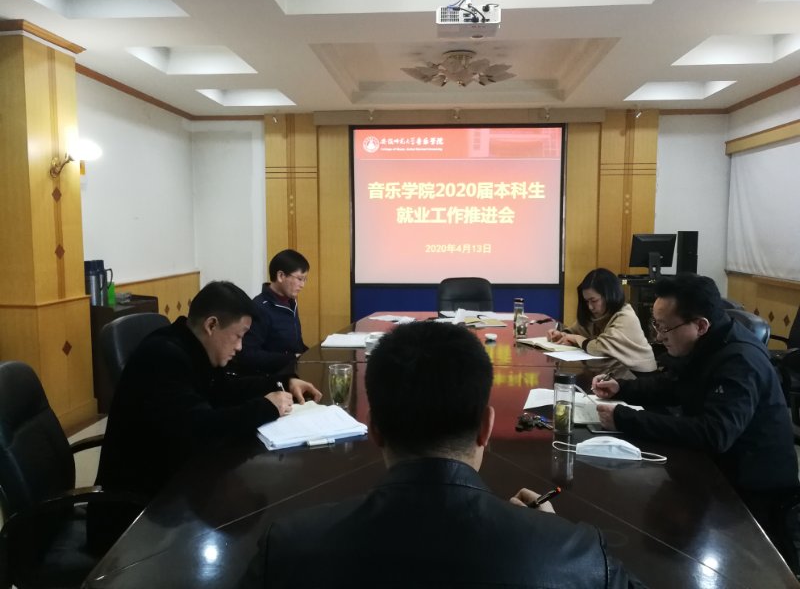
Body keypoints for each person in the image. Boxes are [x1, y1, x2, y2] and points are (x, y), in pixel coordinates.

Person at [247, 322, 638, 588]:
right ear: (486, 427)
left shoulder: (289, 547)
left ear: (375, 430)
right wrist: (550, 536)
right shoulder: (578, 553)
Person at [88, 281, 321, 551]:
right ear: (211, 325)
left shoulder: (192, 347)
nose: (240, 347)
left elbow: (223, 390)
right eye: (238, 336)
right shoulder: (163, 357)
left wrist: (282, 383)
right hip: (137, 516)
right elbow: (201, 428)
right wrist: (266, 407)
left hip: (173, 486)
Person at [592, 273, 799, 571]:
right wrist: (622, 388)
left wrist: (626, 418)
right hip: (716, 469)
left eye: (665, 327)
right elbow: (673, 385)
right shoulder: (706, 344)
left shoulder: (740, 361)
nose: (658, 336)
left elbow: (714, 433)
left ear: (700, 325)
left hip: (750, 496)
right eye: (655, 325)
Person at [548, 268, 656, 372]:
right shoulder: (598, 315)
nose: (590, 307)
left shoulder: (625, 317)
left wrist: (576, 338)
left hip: (639, 376)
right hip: (616, 373)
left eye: (594, 300)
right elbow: (577, 330)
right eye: (586, 301)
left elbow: (599, 348)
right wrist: (562, 335)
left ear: (609, 296)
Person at [237, 249, 309, 374]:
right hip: (272, 377)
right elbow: (249, 354)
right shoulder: (259, 307)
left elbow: (296, 345)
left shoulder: (291, 302)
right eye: (299, 278)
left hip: (293, 370)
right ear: (281, 276)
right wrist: (291, 358)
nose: (302, 285)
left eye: (305, 279)